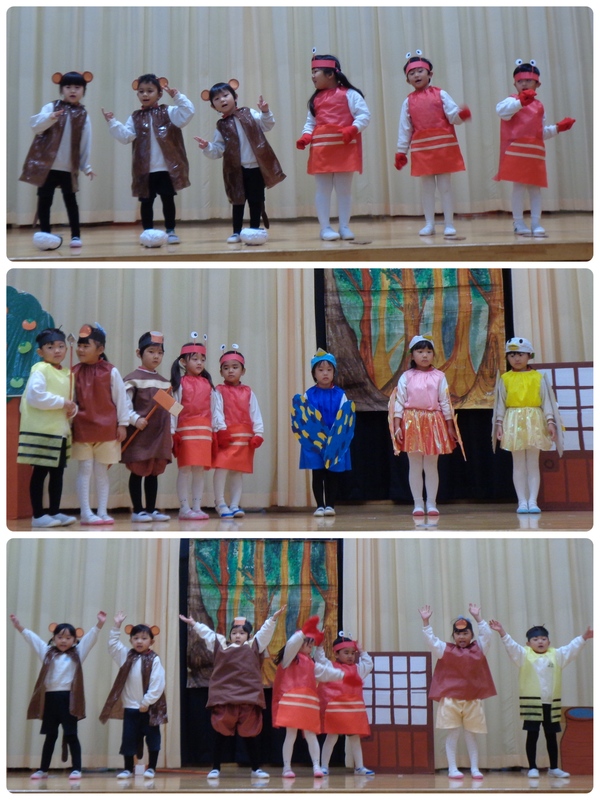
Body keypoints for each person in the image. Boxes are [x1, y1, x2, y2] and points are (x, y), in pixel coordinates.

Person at [180, 606, 287, 780]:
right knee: (220, 735)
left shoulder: (254, 645)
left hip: (248, 698)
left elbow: (264, 632)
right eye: (234, 633)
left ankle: (255, 768)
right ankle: (215, 768)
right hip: (225, 698)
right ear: (230, 635)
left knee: (250, 735)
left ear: (248, 636)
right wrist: (193, 623)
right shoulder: (221, 645)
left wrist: (272, 619)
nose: (237, 636)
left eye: (242, 633)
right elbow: (207, 634)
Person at [489, 619, 593, 778]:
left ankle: (554, 768)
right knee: (532, 735)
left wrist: (584, 637)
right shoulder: (524, 655)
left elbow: (571, 648)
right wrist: (502, 631)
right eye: (536, 639)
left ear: (549, 642)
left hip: (551, 703)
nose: (540, 642)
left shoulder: (557, 655)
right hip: (532, 703)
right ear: (528, 643)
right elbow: (511, 646)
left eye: (543, 639)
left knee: (551, 736)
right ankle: (532, 767)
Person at [10, 610, 106, 781]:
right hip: (50, 699)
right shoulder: (47, 652)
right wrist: (19, 627)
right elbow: (33, 639)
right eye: (60, 637)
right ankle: (43, 770)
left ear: (74, 640)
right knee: (50, 736)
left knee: (71, 734)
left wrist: (99, 624)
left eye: (68, 638)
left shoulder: (78, 652)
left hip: (69, 699)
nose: (63, 640)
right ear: (54, 638)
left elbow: (90, 639)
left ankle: (76, 769)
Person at [102, 74, 194, 247]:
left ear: (159, 94)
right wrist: (112, 122)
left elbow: (188, 113)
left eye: (150, 91)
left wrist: (177, 96)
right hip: (144, 169)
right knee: (146, 202)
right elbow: (126, 136)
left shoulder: (169, 112)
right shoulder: (135, 117)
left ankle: (170, 231)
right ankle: (147, 232)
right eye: (141, 91)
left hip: (166, 168)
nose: (145, 94)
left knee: (168, 200)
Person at [196, 81, 285, 243]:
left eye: (225, 95)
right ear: (213, 106)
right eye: (217, 99)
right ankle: (236, 232)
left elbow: (267, 125)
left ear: (235, 96)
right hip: (235, 170)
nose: (222, 100)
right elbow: (218, 149)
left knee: (256, 200)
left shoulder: (249, 113)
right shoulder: (221, 126)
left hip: (256, 168)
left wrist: (265, 111)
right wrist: (207, 146)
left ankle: (254, 229)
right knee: (237, 200)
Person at [495, 61, 575, 236]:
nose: (524, 84)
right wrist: (520, 102)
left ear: (537, 84)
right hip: (516, 151)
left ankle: (536, 223)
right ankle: (518, 222)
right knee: (518, 187)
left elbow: (540, 132)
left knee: (535, 188)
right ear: (514, 84)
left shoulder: (539, 106)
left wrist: (557, 128)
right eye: (520, 81)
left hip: (535, 152)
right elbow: (501, 111)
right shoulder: (511, 101)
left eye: (528, 80)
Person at [395, 52, 470, 237]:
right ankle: (429, 224)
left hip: (444, 148)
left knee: (445, 187)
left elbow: (453, 116)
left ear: (430, 74)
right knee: (427, 189)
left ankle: (449, 224)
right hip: (422, 150)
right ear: (407, 80)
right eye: (411, 73)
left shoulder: (441, 94)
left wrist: (460, 115)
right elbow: (405, 128)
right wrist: (401, 151)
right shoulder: (408, 102)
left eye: (420, 71)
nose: (416, 75)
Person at [296, 54, 370, 241]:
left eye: (316, 71)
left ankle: (344, 226)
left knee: (344, 190)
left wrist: (353, 128)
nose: (312, 76)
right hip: (322, 150)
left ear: (330, 74)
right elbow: (310, 123)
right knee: (323, 189)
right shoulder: (315, 100)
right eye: (312, 72)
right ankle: (325, 228)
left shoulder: (350, 95)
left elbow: (364, 115)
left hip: (344, 149)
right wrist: (306, 136)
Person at [419, 604, 496, 780]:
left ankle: (475, 768)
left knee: (471, 735)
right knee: (452, 734)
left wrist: (478, 618)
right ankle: (452, 768)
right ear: (453, 636)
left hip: (472, 699)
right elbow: (431, 640)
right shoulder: (444, 649)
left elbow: (487, 635)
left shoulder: (479, 648)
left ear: (471, 635)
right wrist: (426, 622)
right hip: (450, 700)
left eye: (465, 633)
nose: (461, 636)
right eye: (458, 633)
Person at [20, 71, 95, 250]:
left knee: (71, 201)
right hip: (47, 166)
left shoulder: (83, 115)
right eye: (68, 87)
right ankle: (45, 233)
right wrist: (50, 117)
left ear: (83, 90)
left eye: (77, 87)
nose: (72, 90)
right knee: (44, 200)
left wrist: (86, 166)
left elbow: (86, 142)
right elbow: (35, 126)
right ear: (61, 89)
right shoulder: (51, 107)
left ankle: (75, 235)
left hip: (68, 167)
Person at [493, 337, 563, 513]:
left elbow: (546, 401)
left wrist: (550, 421)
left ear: (529, 355)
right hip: (513, 420)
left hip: (535, 420)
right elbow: (500, 403)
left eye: (521, 354)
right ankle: (522, 501)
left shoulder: (538, 377)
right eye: (512, 355)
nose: (516, 359)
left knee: (532, 463)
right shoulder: (505, 378)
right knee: (518, 464)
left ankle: (533, 501)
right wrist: (499, 424)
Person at [390, 335, 458, 516]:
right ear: (412, 355)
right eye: (420, 351)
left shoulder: (439, 376)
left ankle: (432, 503)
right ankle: (418, 503)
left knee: (431, 465)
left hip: (433, 421)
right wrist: (397, 425)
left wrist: (450, 425)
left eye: (428, 351)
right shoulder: (406, 376)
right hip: (411, 421)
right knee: (414, 464)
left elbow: (445, 401)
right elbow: (399, 401)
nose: (425, 355)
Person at [17, 327, 77, 527]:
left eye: (60, 346)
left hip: (59, 430)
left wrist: (72, 409)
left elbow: (70, 402)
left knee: (58, 473)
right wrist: (62, 403)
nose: (57, 351)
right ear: (40, 351)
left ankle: (54, 511)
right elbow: (35, 397)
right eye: (50, 347)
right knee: (41, 471)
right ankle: (38, 515)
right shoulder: (40, 369)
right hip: (42, 430)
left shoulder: (69, 374)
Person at [71, 323, 129, 525]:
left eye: (86, 346)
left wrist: (123, 423)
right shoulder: (74, 372)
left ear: (100, 349)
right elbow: (71, 400)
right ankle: (86, 512)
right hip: (82, 428)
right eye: (79, 346)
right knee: (85, 468)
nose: (80, 350)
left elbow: (121, 399)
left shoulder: (111, 371)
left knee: (101, 471)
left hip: (107, 429)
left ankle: (103, 511)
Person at [272, 616, 344, 778]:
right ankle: (286, 768)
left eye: (312, 645)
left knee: (310, 734)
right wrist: (304, 632)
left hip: (307, 704)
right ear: (300, 643)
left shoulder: (310, 663)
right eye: (308, 644)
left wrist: (342, 675)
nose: (310, 648)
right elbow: (292, 644)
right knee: (291, 734)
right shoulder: (289, 659)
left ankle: (316, 767)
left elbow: (325, 672)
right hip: (291, 703)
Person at [100, 612, 167, 781]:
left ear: (151, 641)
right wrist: (116, 626)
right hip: (130, 708)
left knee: (153, 739)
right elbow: (113, 645)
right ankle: (127, 769)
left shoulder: (154, 659)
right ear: (130, 640)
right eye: (135, 638)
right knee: (129, 739)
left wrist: (146, 702)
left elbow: (157, 683)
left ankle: (151, 768)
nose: (139, 641)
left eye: (144, 638)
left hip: (149, 709)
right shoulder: (126, 656)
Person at [291, 348, 355, 517]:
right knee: (317, 473)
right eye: (320, 370)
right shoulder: (308, 394)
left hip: (333, 441)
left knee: (332, 474)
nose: (325, 373)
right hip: (314, 442)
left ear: (334, 372)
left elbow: (344, 418)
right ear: (314, 373)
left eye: (329, 370)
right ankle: (320, 505)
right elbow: (304, 417)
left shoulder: (340, 394)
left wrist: (336, 439)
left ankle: (330, 505)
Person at [170, 338, 224, 520]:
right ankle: (184, 507)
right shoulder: (179, 384)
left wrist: (216, 430)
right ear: (183, 361)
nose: (199, 363)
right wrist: (172, 431)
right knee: (185, 469)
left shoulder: (208, 384)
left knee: (199, 471)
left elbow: (214, 409)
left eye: (202, 359)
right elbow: (173, 410)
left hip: (204, 433)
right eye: (195, 359)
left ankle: (196, 506)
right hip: (186, 432)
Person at [122, 331, 172, 523]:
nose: (156, 356)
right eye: (151, 352)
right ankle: (138, 510)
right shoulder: (132, 379)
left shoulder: (164, 383)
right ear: (139, 353)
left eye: (160, 353)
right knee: (138, 470)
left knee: (153, 472)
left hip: (158, 435)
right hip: (139, 434)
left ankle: (151, 509)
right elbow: (124, 406)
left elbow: (171, 410)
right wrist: (135, 420)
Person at [212, 347, 264, 518]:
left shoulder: (248, 392)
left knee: (237, 471)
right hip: (226, 436)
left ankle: (234, 504)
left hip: (243, 437)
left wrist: (258, 433)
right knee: (221, 468)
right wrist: (221, 430)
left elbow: (255, 413)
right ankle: (220, 502)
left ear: (243, 370)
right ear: (221, 371)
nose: (230, 371)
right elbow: (217, 411)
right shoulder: (218, 391)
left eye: (235, 367)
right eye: (226, 368)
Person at [318, 633, 374, 776]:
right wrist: (319, 646)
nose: (350, 656)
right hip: (336, 709)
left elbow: (369, 664)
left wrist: (362, 651)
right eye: (346, 653)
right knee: (332, 737)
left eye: (352, 653)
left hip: (353, 709)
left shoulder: (358, 669)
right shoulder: (330, 667)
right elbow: (320, 660)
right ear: (336, 654)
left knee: (354, 737)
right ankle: (324, 766)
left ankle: (359, 767)